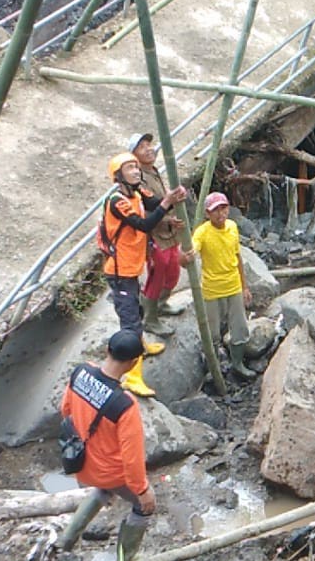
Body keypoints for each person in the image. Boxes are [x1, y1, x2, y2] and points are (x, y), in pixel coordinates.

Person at [58, 329, 156, 561]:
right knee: (144, 507)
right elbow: (132, 459)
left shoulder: (80, 372)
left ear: (106, 351)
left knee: (101, 490)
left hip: (80, 464)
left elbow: (65, 411)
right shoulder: (124, 405)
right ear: (133, 364)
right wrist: (143, 492)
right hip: (109, 473)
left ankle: (66, 541)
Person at [101, 152, 187, 397]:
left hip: (131, 267)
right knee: (130, 322)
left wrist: (172, 199)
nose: (136, 171)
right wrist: (165, 204)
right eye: (130, 168)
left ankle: (141, 347)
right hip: (120, 271)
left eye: (136, 167)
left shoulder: (137, 193)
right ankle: (132, 376)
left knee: (136, 311)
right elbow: (144, 224)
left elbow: (156, 203)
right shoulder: (117, 201)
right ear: (118, 176)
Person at [189, 191, 255, 382]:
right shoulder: (202, 232)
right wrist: (188, 254)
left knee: (240, 328)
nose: (220, 214)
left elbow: (237, 257)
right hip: (211, 288)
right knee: (212, 332)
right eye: (215, 210)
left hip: (233, 285)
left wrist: (245, 286)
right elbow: (194, 247)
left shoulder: (233, 227)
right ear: (207, 214)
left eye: (223, 208)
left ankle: (237, 364)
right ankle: (213, 367)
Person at [127, 131, 188, 338]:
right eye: (142, 147)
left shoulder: (153, 170)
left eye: (148, 145)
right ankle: (150, 318)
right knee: (157, 274)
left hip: (168, 232)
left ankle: (161, 304)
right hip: (155, 234)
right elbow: (147, 208)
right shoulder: (137, 179)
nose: (148, 149)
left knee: (173, 272)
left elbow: (162, 199)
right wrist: (168, 217)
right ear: (133, 155)